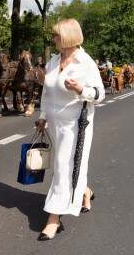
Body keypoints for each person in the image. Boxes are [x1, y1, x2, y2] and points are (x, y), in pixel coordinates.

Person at [34, 18, 105, 241]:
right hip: (55, 125)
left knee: (63, 168)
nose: (53, 39)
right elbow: (46, 93)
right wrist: (43, 116)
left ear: (67, 37)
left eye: (56, 35)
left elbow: (100, 94)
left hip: (75, 125)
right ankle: (85, 191)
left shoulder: (85, 63)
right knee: (62, 165)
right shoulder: (53, 61)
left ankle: (54, 218)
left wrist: (80, 89)